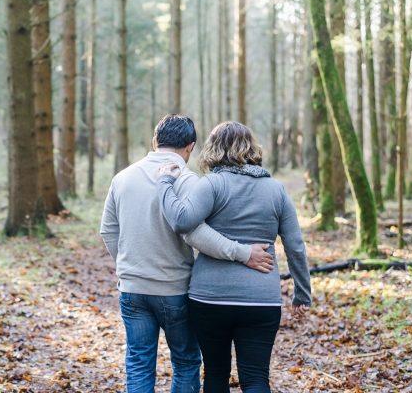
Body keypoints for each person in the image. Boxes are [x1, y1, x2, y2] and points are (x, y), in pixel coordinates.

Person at [100, 114, 275, 393]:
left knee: (138, 362)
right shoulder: (188, 181)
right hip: (175, 290)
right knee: (185, 362)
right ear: (190, 147)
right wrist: (243, 253)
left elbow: (108, 230)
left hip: (132, 288)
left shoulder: (122, 178)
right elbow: (196, 235)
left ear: (155, 140)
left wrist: (131, 264)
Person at [156, 121, 312, 393]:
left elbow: (182, 221)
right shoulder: (276, 190)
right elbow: (295, 246)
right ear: (252, 147)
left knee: (216, 374)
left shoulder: (212, 184)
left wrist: (165, 183)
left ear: (213, 149)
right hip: (261, 300)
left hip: (209, 299)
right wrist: (302, 292)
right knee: (256, 379)